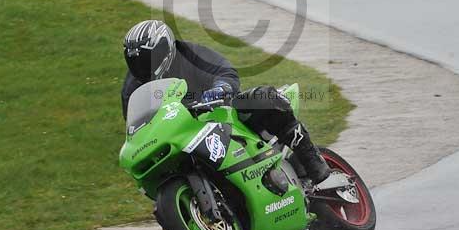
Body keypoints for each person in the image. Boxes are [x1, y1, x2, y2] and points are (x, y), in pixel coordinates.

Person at [121, 20, 330, 184]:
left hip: (218, 112)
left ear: (165, 49)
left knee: (264, 98)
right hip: (181, 134)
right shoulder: (132, 90)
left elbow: (224, 70)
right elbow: (138, 127)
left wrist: (219, 90)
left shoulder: (189, 54)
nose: (141, 65)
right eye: (135, 60)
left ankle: (313, 162)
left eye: (148, 57)